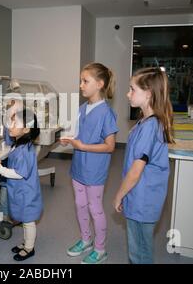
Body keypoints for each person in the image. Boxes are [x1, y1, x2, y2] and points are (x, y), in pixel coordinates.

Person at [113, 67, 174, 264]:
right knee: (141, 247)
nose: (127, 93)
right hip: (141, 197)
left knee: (139, 252)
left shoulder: (150, 127)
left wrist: (119, 194)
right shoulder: (146, 122)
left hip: (142, 199)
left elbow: (135, 171)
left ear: (148, 94)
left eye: (132, 89)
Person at [60, 62, 118, 264]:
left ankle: (100, 248)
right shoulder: (82, 108)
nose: (81, 85)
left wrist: (82, 146)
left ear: (100, 84)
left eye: (85, 81)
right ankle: (86, 240)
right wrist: (69, 138)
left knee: (95, 208)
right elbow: (79, 134)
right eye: (80, 81)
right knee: (80, 204)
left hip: (94, 170)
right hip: (78, 166)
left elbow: (110, 146)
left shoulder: (106, 113)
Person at [0, 108, 42, 261]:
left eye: (15, 123)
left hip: (27, 193)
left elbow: (19, 173)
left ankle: (29, 248)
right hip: (21, 191)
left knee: (28, 222)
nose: (11, 125)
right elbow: (8, 135)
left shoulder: (24, 151)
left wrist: (0, 169)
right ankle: (26, 243)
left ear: (26, 129)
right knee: (25, 220)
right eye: (11, 121)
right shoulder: (19, 144)